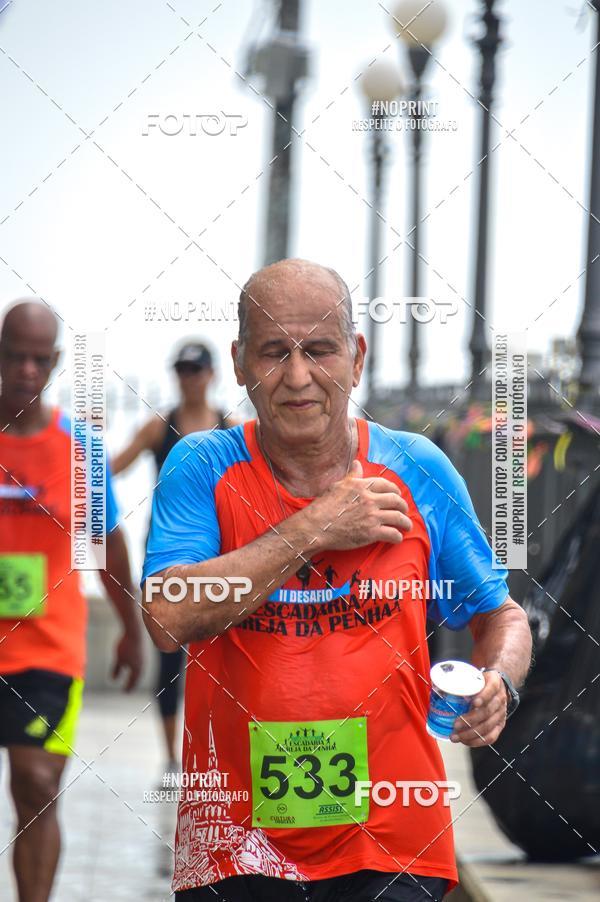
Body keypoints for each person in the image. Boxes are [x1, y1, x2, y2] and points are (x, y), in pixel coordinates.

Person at [141, 259, 532, 901]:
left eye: (319, 350)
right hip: (236, 846)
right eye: (275, 353)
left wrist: (501, 685)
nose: (298, 377)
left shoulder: (416, 467)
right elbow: (166, 616)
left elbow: (501, 615)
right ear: (240, 364)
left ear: (356, 358)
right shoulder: (202, 466)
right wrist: (315, 527)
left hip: (394, 838)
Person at [0, 301, 143, 902]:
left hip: (49, 648)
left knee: (35, 785)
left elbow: (108, 543)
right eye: (15, 356)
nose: (27, 369)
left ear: (56, 362)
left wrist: (133, 631)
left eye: (39, 358)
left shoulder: (79, 451)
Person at [113, 340, 234, 773]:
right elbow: (110, 470)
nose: (189, 379)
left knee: (220, 655)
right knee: (168, 656)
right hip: (166, 557)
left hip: (222, 558)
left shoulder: (231, 427)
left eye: (196, 370)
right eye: (182, 370)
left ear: (212, 374)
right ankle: (171, 756)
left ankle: (215, 751)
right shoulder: (158, 428)